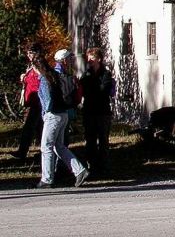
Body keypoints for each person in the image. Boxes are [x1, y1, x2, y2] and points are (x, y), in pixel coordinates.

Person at [34, 56, 89, 188]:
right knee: (59, 146)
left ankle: (47, 178)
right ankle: (80, 171)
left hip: (53, 115)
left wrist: (46, 113)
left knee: (46, 146)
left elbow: (47, 100)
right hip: (63, 113)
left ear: (37, 68)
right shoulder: (56, 75)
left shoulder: (44, 78)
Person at [80, 47, 115, 178]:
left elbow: (104, 90)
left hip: (102, 112)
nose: (89, 60)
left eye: (92, 57)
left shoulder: (106, 74)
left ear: (99, 59)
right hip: (89, 111)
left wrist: (92, 89)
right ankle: (91, 166)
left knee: (103, 140)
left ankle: (104, 167)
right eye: (88, 57)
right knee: (90, 140)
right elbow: (83, 89)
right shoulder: (86, 74)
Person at [12, 43, 44, 160]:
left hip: (37, 101)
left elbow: (39, 81)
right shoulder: (32, 65)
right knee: (39, 127)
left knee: (29, 127)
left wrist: (25, 78)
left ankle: (22, 152)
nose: (29, 55)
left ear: (37, 52)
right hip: (33, 101)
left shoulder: (39, 65)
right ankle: (43, 151)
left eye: (31, 52)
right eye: (28, 52)